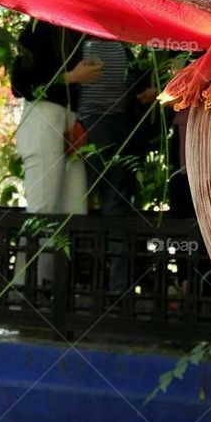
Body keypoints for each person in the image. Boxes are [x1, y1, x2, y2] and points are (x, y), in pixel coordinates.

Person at [10, 20, 102, 288]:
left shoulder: (73, 31)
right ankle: (25, 286)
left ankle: (51, 284)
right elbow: (20, 85)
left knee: (74, 207)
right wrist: (71, 78)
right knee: (43, 206)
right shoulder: (37, 29)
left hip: (68, 118)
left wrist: (74, 120)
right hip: (42, 114)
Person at [78, 36, 134, 295]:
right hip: (92, 125)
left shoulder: (119, 45)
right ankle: (106, 285)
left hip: (111, 124)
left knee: (101, 203)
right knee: (94, 203)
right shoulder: (82, 43)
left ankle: (110, 286)